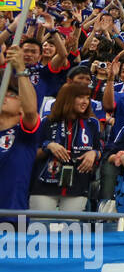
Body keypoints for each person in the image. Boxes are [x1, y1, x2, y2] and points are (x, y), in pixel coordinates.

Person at [32, 83, 100, 212]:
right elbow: (31, 154)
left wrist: (94, 153)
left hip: (77, 185)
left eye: (87, 97)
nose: (85, 102)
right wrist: (49, 146)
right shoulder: (46, 122)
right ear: (67, 99)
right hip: (44, 186)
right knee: (40, 227)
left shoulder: (92, 123)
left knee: (69, 228)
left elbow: (100, 150)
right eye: (80, 97)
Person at [0, 46, 42, 215]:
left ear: (21, 106)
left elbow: (31, 110)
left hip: (11, 215)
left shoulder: (24, 134)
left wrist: (21, 69)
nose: (3, 96)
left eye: (10, 94)